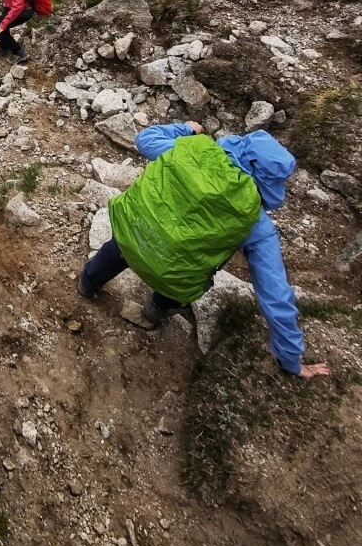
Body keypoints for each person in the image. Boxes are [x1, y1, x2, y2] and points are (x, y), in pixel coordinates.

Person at [77, 122, 331, 379]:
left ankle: (86, 286)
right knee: (182, 279)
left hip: (132, 237)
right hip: (172, 277)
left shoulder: (190, 152)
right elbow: (275, 296)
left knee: (117, 249)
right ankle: (151, 314)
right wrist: (291, 361)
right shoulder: (256, 223)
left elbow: (146, 139)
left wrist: (186, 129)